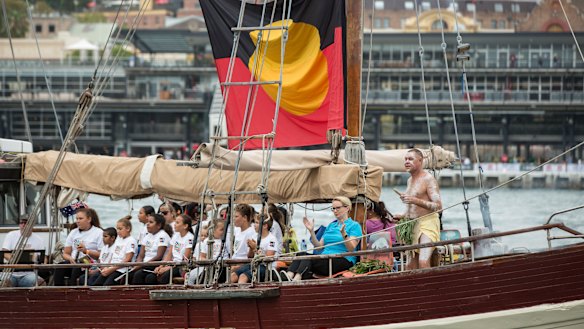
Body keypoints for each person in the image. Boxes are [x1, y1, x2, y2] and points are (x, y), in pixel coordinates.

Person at [284, 196, 361, 281]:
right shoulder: (331, 225)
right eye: (333, 208)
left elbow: (351, 248)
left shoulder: (354, 225)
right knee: (301, 254)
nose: (335, 211)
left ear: (347, 208)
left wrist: (344, 234)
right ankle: (288, 276)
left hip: (343, 259)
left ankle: (296, 280)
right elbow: (319, 246)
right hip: (326, 258)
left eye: (338, 208)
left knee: (309, 259)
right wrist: (311, 231)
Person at [394, 148, 442, 270]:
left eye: (410, 159)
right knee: (409, 265)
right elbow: (412, 207)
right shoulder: (410, 180)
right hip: (413, 224)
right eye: (405, 159)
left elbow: (438, 206)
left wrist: (415, 200)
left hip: (428, 223)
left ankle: (429, 288)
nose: (407, 161)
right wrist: (402, 215)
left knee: (423, 261)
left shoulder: (428, 179)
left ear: (420, 161)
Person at [53, 208, 104, 286]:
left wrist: (86, 251)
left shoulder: (98, 232)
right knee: (60, 267)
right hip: (74, 261)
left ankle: (73, 290)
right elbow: (66, 253)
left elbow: (102, 255)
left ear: (89, 219)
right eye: (77, 218)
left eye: (80, 218)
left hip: (90, 263)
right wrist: (70, 258)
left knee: (78, 266)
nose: (77, 221)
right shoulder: (74, 232)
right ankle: (58, 290)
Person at [1, 215, 46, 287]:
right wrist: (17, 261)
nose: (23, 225)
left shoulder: (39, 239)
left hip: (29, 274)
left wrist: (39, 262)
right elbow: (5, 253)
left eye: (26, 223)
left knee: (41, 283)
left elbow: (43, 258)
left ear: (32, 224)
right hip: (10, 273)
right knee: (3, 283)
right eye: (21, 223)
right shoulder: (11, 235)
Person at [91, 217, 137, 286]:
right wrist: (107, 267)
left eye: (120, 229)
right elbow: (113, 256)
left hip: (121, 270)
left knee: (106, 285)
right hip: (112, 267)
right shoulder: (118, 240)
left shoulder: (131, 241)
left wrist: (112, 268)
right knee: (96, 284)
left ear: (128, 229)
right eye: (117, 229)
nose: (118, 231)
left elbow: (127, 260)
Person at [233, 216, 277, 283]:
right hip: (253, 264)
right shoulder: (254, 236)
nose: (254, 225)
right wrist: (251, 248)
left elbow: (268, 258)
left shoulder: (272, 239)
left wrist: (255, 248)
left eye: (257, 223)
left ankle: (241, 292)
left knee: (243, 276)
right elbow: (250, 256)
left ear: (265, 226)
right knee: (234, 275)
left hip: (265, 268)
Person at [151, 214, 194, 284]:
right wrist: (161, 266)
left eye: (177, 223)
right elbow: (169, 254)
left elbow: (185, 259)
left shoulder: (190, 238)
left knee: (164, 276)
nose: (174, 224)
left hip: (181, 266)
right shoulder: (176, 236)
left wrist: (168, 268)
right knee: (152, 276)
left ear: (185, 226)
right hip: (173, 264)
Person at [131, 214, 171, 285]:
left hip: (156, 264)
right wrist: (137, 265)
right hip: (145, 264)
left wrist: (144, 264)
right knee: (130, 274)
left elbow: (159, 256)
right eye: (147, 222)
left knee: (139, 275)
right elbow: (141, 256)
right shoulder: (147, 236)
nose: (148, 224)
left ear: (158, 225)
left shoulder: (163, 236)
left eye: (151, 222)